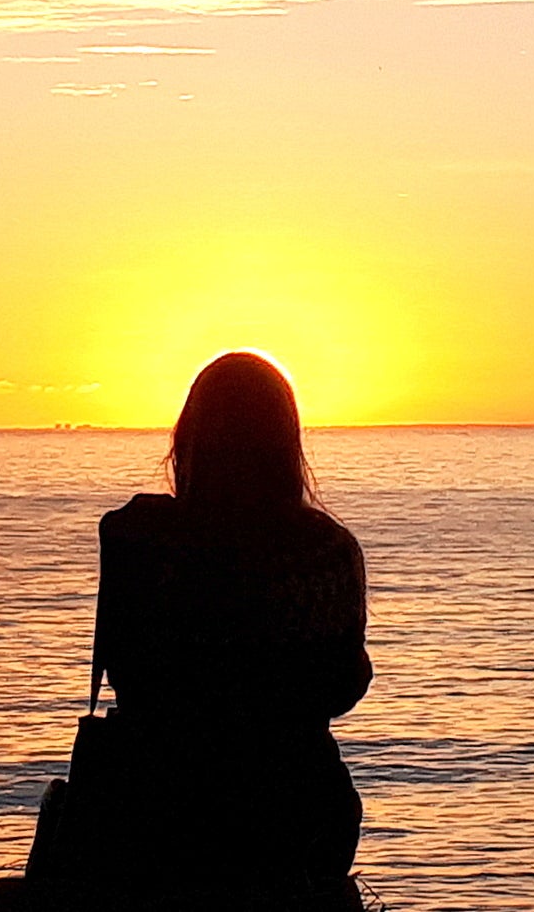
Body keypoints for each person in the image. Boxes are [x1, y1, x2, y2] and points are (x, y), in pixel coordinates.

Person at [71, 352, 373, 908]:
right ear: (286, 445)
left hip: (156, 815)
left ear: (191, 439)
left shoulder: (144, 541)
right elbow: (344, 687)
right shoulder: (326, 552)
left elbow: (128, 674)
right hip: (295, 817)